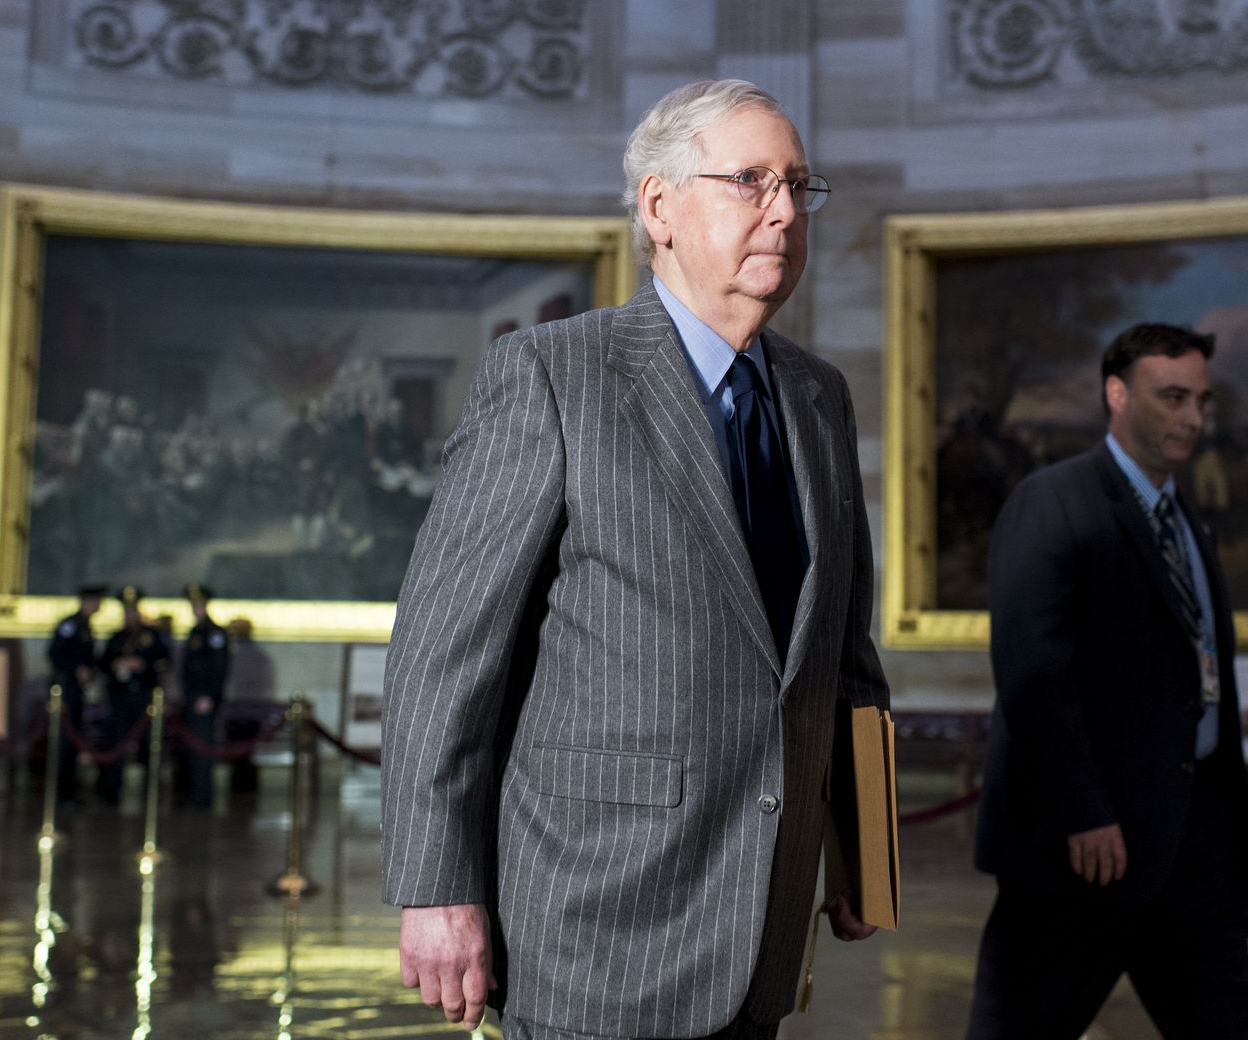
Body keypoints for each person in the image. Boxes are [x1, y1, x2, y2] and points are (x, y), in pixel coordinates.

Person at [381, 78, 890, 1040]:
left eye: (797, 185)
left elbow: (844, 660)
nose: (783, 210)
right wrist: (434, 888)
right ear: (659, 206)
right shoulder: (551, 376)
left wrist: (867, 851)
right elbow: (441, 656)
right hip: (594, 927)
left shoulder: (820, 399)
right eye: (750, 180)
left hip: (763, 931)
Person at [968, 323, 1248, 1039]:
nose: (1193, 418)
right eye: (1172, 397)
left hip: (1194, 854)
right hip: (1084, 856)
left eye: (1202, 400)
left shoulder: (1186, 519)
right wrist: (1082, 812)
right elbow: (1033, 674)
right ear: (1117, 394)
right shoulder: (1053, 502)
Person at [96, 586, 170, 805]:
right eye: (126, 611)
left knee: (149, 744)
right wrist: (117, 664)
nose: (130, 615)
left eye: (133, 611)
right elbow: (103, 664)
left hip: (144, 698)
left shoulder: (151, 636)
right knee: (117, 744)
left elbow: (164, 662)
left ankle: (151, 793)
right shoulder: (117, 638)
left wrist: (142, 664)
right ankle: (112, 791)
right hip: (120, 698)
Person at [46, 584, 106, 805]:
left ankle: (69, 789)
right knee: (63, 740)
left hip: (77, 691)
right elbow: (55, 654)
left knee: (73, 740)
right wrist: (76, 669)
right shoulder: (70, 625)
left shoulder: (86, 626)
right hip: (65, 689)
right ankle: (60, 793)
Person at [177, 584, 231, 809]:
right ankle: (195, 794)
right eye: (193, 605)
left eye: (199, 604)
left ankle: (203, 796)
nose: (196, 609)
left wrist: (209, 696)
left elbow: (219, 668)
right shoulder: (195, 632)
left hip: (204, 700)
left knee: (202, 748)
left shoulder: (215, 633)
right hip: (191, 697)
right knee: (192, 748)